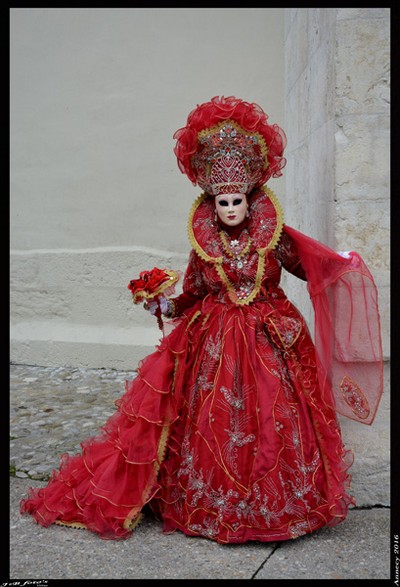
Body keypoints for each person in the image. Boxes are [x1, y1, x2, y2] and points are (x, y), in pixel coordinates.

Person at [20, 95, 383, 544]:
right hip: (213, 342)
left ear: (250, 199)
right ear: (212, 202)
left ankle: (280, 505)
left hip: (272, 336)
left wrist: (339, 264)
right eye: (222, 201)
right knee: (212, 423)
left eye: (237, 201)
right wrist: (161, 306)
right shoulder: (203, 247)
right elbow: (191, 293)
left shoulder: (274, 238)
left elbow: (307, 264)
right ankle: (211, 505)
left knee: (275, 419)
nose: (231, 209)